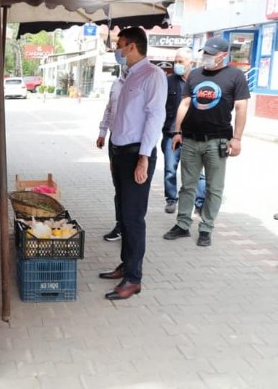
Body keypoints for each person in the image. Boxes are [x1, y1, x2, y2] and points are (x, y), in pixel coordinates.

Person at [98, 27, 167, 300]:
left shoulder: (153, 76)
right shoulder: (127, 76)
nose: (117, 49)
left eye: (120, 44)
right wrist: (111, 147)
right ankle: (125, 265)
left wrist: (144, 158)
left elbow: (155, 118)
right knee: (123, 215)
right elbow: (118, 114)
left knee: (133, 218)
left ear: (132, 46)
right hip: (120, 152)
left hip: (138, 153)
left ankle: (134, 279)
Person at [163, 37, 250, 246]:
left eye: (212, 54)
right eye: (205, 53)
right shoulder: (195, 75)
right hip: (191, 139)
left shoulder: (235, 76)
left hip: (217, 141)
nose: (207, 57)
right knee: (187, 186)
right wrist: (177, 131)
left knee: (214, 188)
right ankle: (183, 224)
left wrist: (236, 139)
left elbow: (241, 108)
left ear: (223, 56)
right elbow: (184, 104)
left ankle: (206, 227)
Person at [162, 47, 207, 215]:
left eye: (180, 61)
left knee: (197, 172)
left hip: (193, 136)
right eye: (175, 61)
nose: (177, 64)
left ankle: (200, 202)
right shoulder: (168, 81)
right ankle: (171, 200)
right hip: (171, 134)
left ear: (191, 63)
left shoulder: (199, 81)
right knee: (170, 169)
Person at [97, 64, 127, 242]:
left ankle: (129, 225)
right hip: (114, 140)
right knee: (119, 186)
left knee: (130, 189)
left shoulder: (143, 81)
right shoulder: (116, 84)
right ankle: (120, 224)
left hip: (133, 145)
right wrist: (102, 132)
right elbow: (109, 109)